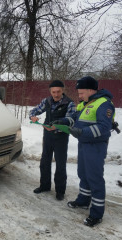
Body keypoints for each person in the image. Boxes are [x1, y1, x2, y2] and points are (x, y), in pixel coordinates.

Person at [53, 76, 115, 227]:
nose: (79, 96)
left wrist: (82, 132)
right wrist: (63, 121)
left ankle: (96, 214)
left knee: (95, 178)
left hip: (96, 146)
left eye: (81, 93)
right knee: (83, 173)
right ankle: (83, 200)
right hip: (84, 143)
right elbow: (75, 118)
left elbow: (103, 127)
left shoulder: (103, 104)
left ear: (90, 90)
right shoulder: (86, 103)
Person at [29, 80, 76, 201]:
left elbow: (71, 120)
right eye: (53, 92)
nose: (56, 94)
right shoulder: (47, 101)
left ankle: (60, 191)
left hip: (61, 137)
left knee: (60, 164)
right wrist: (33, 116)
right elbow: (34, 110)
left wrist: (59, 124)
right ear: (50, 91)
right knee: (45, 161)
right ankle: (44, 186)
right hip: (48, 136)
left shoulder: (69, 103)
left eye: (58, 91)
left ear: (63, 90)